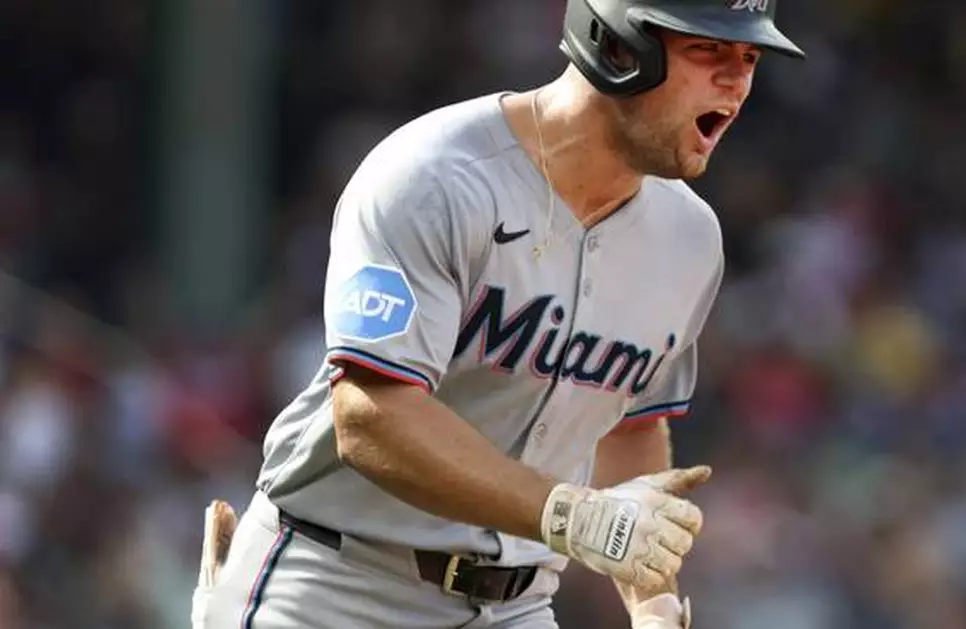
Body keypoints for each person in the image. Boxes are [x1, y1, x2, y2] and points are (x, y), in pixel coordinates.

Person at [192, 0, 805, 627]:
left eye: (749, 57)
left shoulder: (690, 239)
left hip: (516, 605)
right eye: (710, 51)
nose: (737, 82)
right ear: (619, 45)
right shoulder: (435, 176)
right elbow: (370, 416)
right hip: (337, 582)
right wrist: (570, 515)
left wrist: (652, 602)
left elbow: (629, 427)